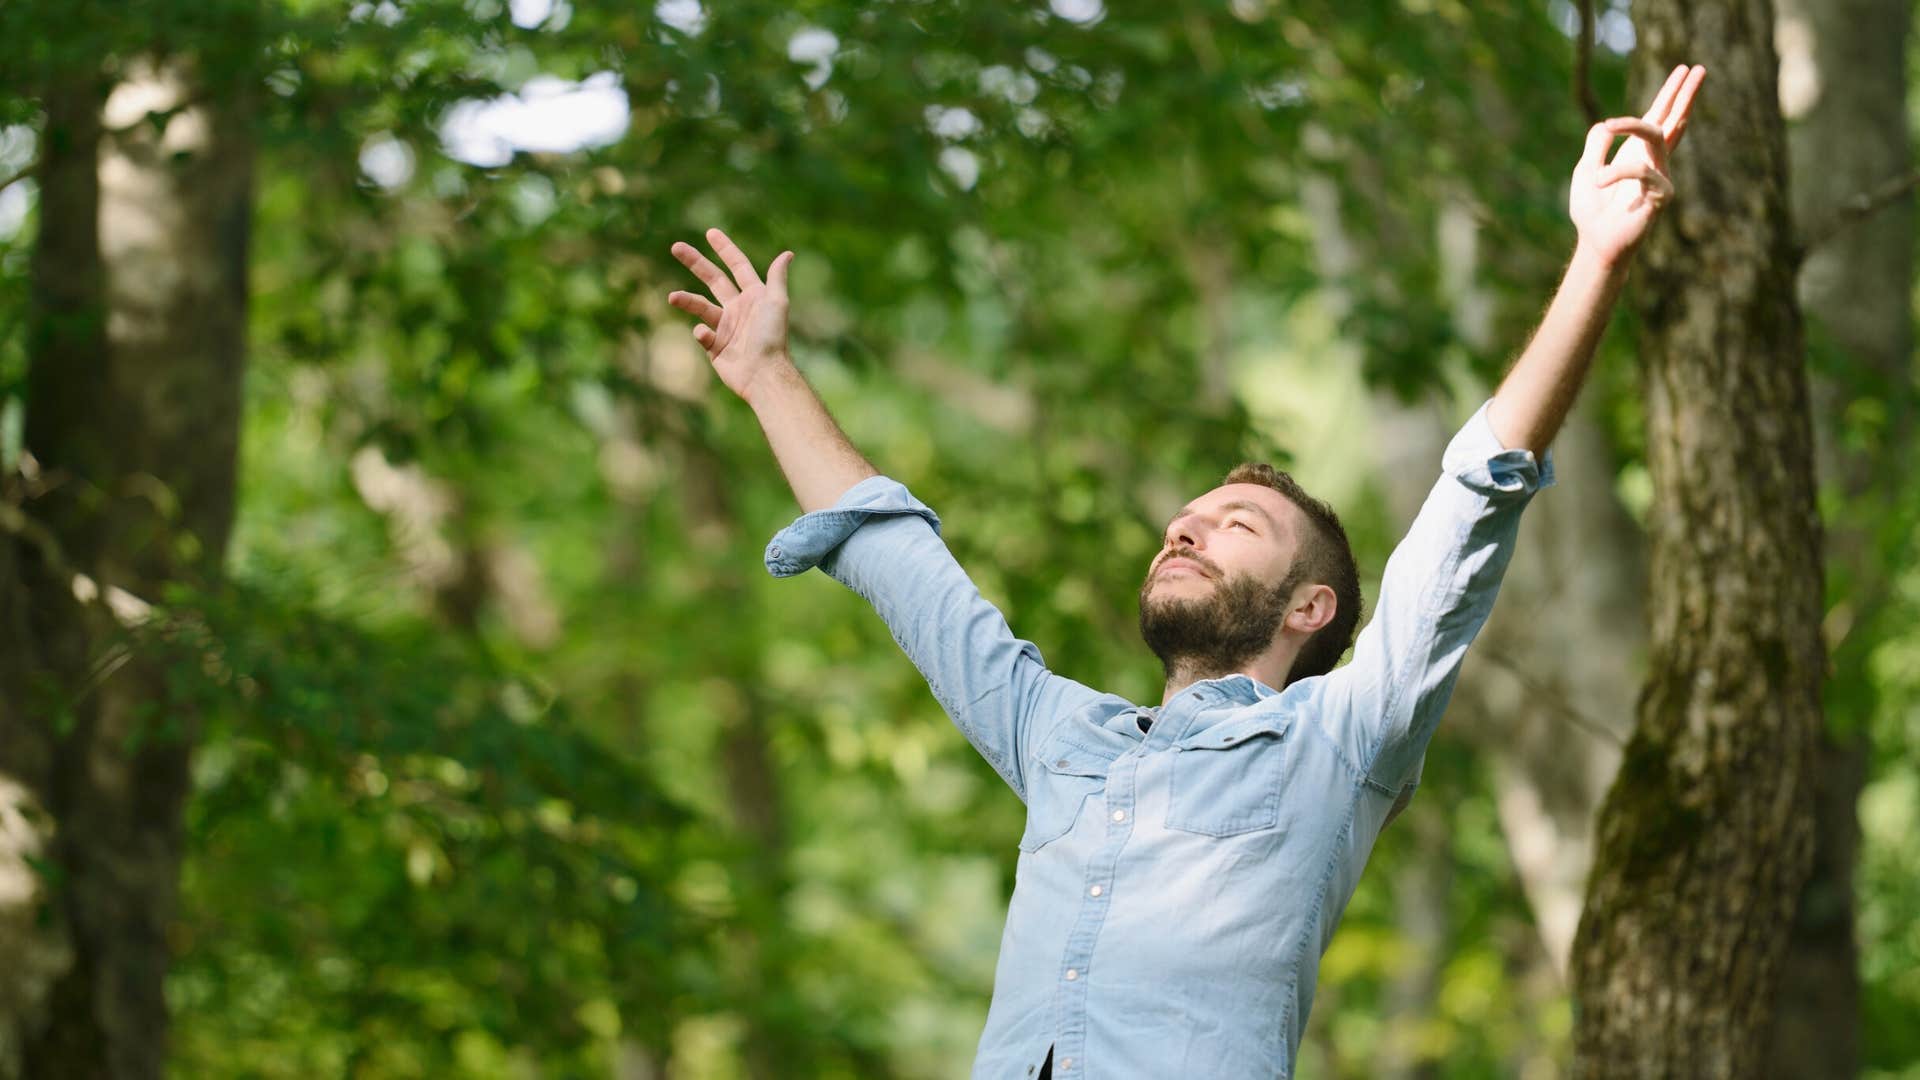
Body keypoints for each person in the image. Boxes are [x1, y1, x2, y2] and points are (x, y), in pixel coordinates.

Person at [667, 64, 1704, 1079]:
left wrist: (1596, 261)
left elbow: (1477, 497)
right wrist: (763, 373)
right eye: (1186, 517)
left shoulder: (1343, 739)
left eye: (1235, 522)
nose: (1183, 528)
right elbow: (900, 562)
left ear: (1312, 605)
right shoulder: (1060, 734)